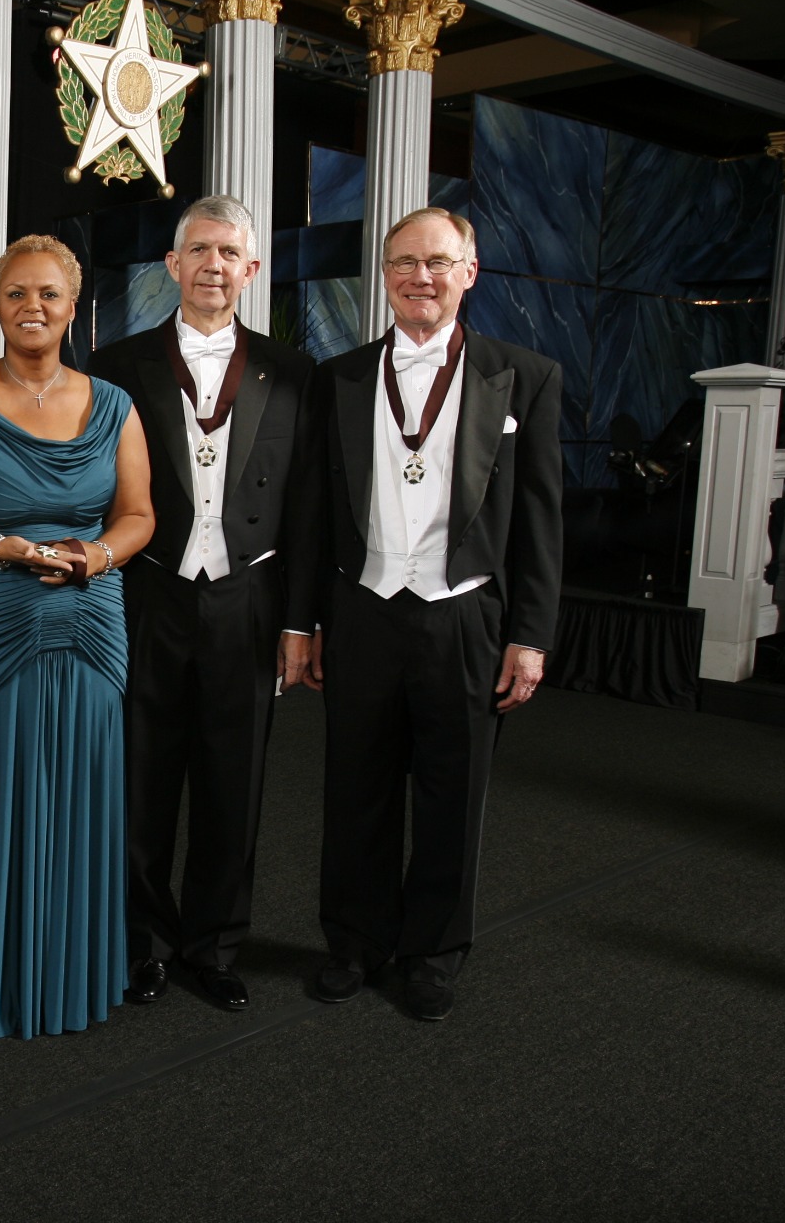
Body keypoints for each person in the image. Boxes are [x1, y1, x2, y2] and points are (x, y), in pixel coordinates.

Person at [310, 207, 561, 1022]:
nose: (421, 277)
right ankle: (353, 941)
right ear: (383, 276)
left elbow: (540, 519)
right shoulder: (339, 376)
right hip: (364, 610)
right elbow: (317, 513)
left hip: (466, 617)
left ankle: (434, 952)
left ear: (470, 271)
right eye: (404, 263)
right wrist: (305, 619)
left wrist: (529, 634)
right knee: (356, 790)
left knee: (455, 796)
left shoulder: (524, 375)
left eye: (438, 263)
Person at [0, 235, 155, 1038]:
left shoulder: (113, 404)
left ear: (73, 305)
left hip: (90, 617)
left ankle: (71, 969)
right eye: (16, 294)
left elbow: (139, 515)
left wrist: (98, 555)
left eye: (48, 294)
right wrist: (0, 548)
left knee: (82, 789)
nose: (32, 308)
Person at [86, 196, 322, 1013]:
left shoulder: (294, 373)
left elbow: (308, 505)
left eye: (230, 253)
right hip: (148, 592)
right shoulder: (114, 365)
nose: (214, 266)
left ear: (250, 271)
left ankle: (214, 945)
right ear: (173, 267)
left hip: (248, 599)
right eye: (199, 251)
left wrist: (298, 620)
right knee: (141, 779)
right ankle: (141, 943)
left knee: (234, 782)